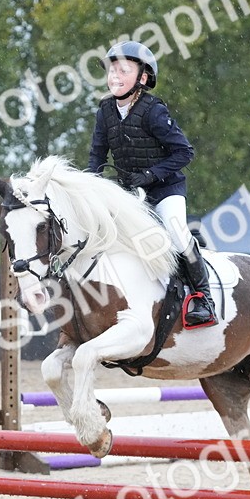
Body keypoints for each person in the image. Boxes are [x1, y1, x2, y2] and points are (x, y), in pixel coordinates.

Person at [87, 41, 216, 328]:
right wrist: (90, 189)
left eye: (124, 70)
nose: (115, 76)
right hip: (130, 194)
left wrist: (149, 175)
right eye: (112, 71)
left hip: (165, 190)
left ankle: (203, 298)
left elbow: (185, 152)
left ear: (142, 78)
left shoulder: (154, 111)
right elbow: (97, 154)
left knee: (176, 233)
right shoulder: (105, 110)